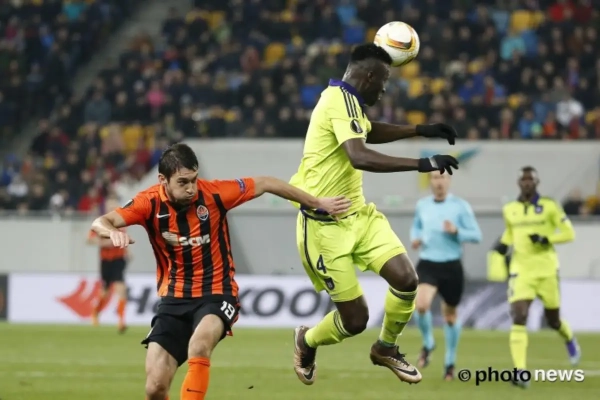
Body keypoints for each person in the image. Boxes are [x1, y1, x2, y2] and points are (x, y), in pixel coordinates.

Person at [90, 143, 351, 400]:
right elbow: (100, 222)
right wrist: (111, 231)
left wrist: (316, 202)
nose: (191, 188)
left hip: (217, 293)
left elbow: (266, 183)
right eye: (182, 182)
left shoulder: (214, 194)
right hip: (174, 299)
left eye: (194, 179)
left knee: (199, 345)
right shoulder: (148, 202)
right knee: (154, 387)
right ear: (163, 180)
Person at [288, 43, 460, 386]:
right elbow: (359, 156)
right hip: (324, 227)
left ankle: (386, 348)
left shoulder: (349, 101)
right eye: (383, 82)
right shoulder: (336, 101)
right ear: (369, 76)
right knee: (355, 321)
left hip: (359, 215)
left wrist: (420, 130)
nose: (384, 90)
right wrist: (423, 163)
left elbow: (367, 130)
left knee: (407, 280)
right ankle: (307, 340)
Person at [489, 166, 580, 388]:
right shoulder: (510, 209)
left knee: (553, 320)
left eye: (531, 179)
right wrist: (501, 246)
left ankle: (569, 339)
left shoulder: (550, 206)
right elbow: (511, 233)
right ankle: (520, 372)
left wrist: (546, 238)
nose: (527, 182)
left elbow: (569, 233)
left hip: (547, 271)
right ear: (518, 183)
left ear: (537, 182)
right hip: (521, 272)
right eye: (524, 179)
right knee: (519, 315)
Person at [410, 171, 482, 380]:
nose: (439, 181)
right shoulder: (422, 205)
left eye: (442, 177)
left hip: (451, 266)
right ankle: (428, 342)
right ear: (430, 181)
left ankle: (450, 361)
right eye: (435, 177)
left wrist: (457, 231)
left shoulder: (460, 206)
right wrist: (415, 238)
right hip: (428, 263)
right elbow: (416, 227)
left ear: (449, 181)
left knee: (450, 316)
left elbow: (476, 235)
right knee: (421, 304)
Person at [87, 196, 129, 333]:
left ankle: (121, 321)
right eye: (110, 207)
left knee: (120, 288)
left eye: (114, 207)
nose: (112, 209)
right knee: (104, 292)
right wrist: (104, 243)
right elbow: (89, 240)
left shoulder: (121, 223)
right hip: (106, 261)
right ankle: (95, 312)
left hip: (118, 260)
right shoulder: (100, 223)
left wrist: (128, 251)